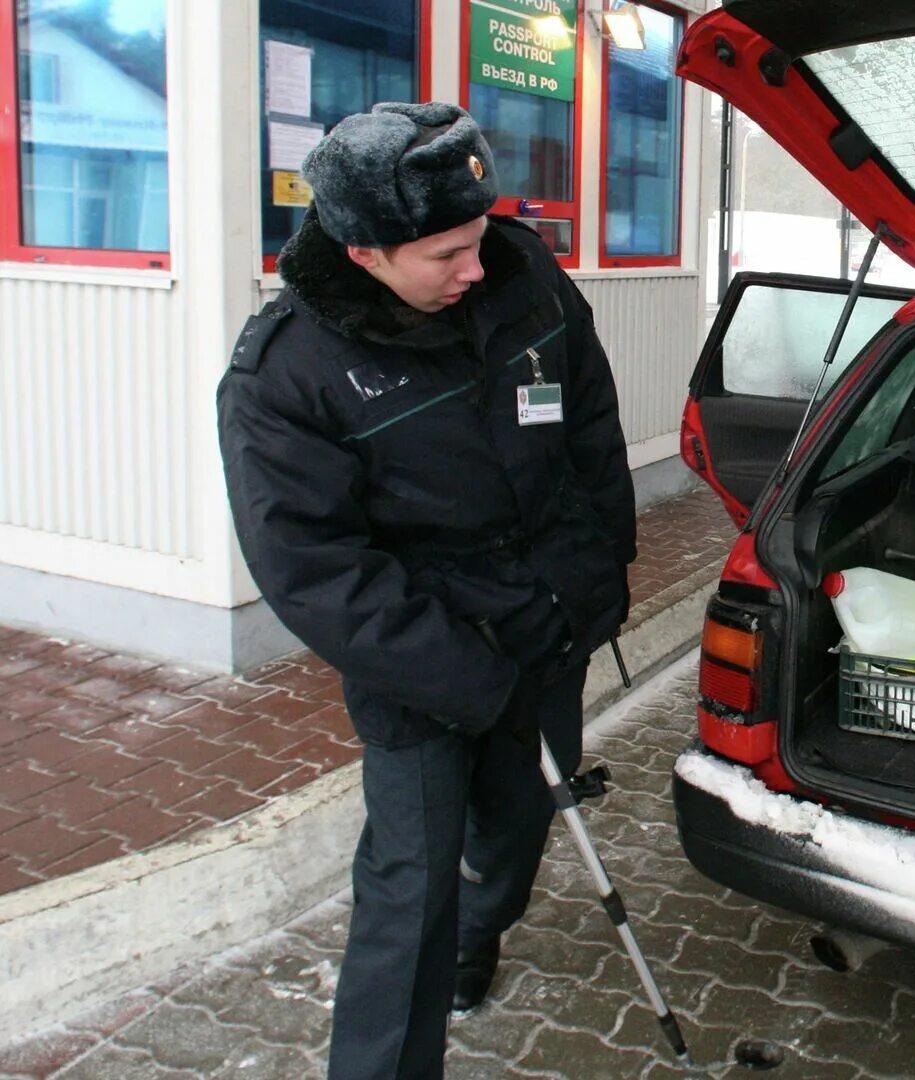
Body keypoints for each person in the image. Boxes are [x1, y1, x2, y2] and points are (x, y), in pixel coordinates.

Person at [217, 102, 636, 1076]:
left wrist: (598, 566)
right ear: (364, 253)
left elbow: (590, 421)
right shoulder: (286, 371)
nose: (476, 268)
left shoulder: (521, 272)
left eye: (479, 237)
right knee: (409, 886)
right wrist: (465, 673)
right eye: (447, 254)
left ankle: (479, 931)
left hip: (547, 617)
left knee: (521, 821)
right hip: (422, 659)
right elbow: (312, 566)